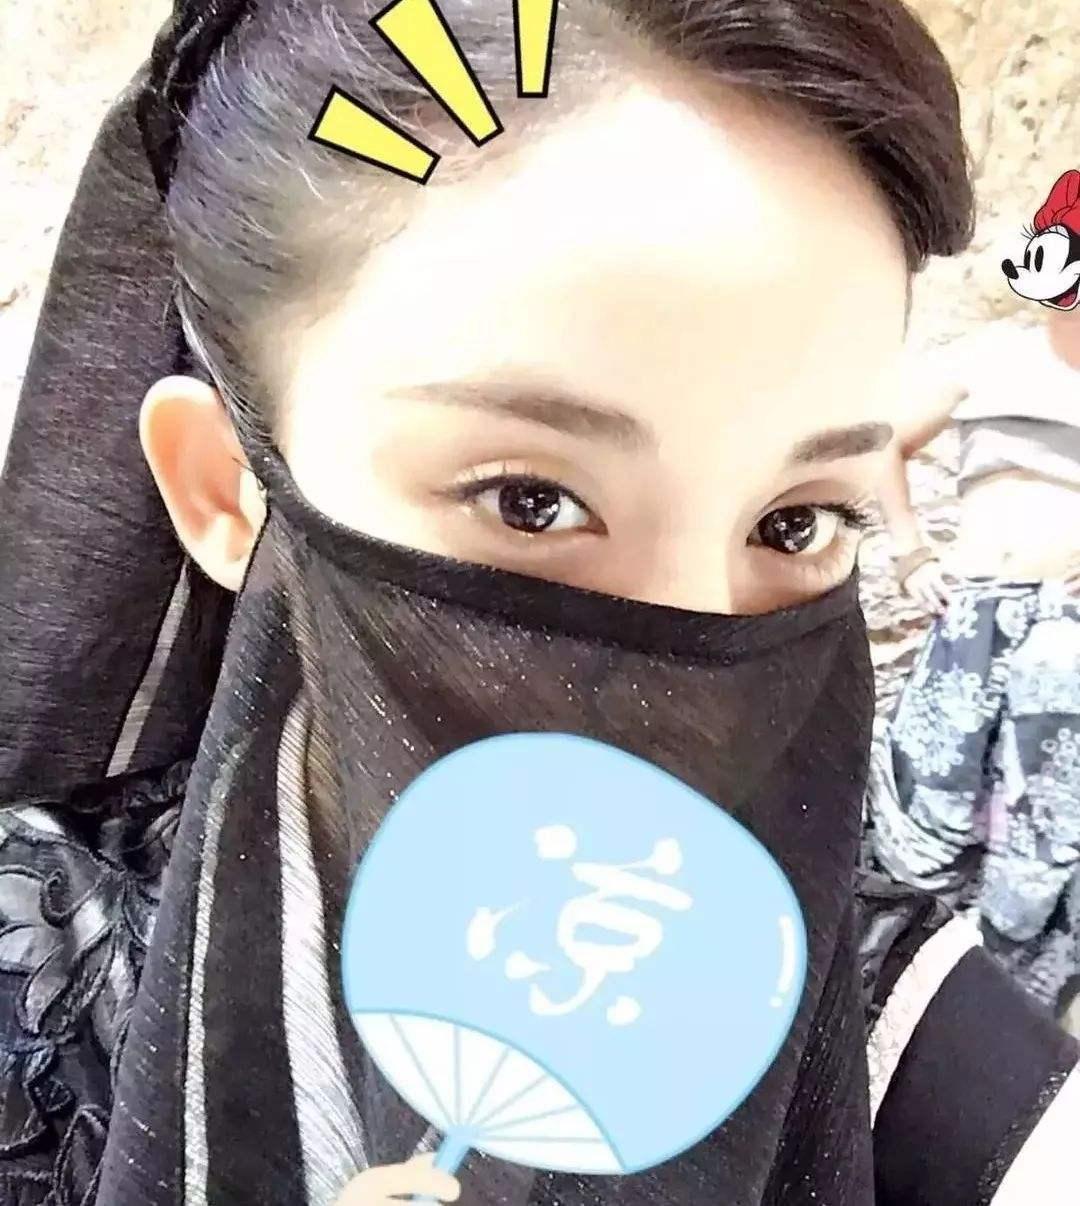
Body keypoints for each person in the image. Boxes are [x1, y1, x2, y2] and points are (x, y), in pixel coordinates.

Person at [1, 1, 1078, 1204]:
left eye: (795, 524)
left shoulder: (877, 1007)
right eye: (530, 501)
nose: (689, 678)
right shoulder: (36, 963)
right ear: (226, 491)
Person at [868, 307, 1080, 1020]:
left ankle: (996, 1024)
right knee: (929, 807)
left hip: (1065, 649)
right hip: (974, 625)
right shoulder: (996, 359)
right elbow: (886, 444)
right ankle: (889, 990)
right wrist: (910, 554)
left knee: (1039, 838)